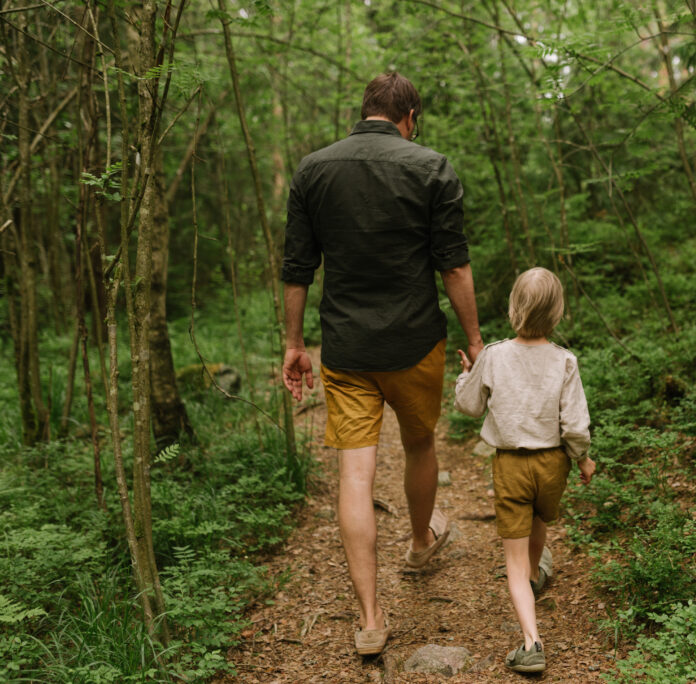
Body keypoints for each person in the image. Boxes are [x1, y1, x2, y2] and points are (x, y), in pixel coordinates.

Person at [280, 72, 484, 656]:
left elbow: (297, 268)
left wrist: (294, 344)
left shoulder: (313, 170)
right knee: (420, 444)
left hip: (345, 349)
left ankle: (370, 620)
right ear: (409, 116)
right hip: (416, 342)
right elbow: (454, 266)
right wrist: (473, 337)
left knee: (354, 474)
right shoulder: (432, 167)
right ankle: (420, 544)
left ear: (364, 111)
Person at [453, 267, 596, 674]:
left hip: (512, 465)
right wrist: (583, 458)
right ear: (558, 312)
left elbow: (468, 405)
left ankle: (531, 642)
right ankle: (535, 576)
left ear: (514, 307)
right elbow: (575, 425)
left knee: (512, 560)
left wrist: (466, 375)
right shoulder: (564, 360)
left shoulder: (495, 355)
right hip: (553, 464)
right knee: (539, 516)